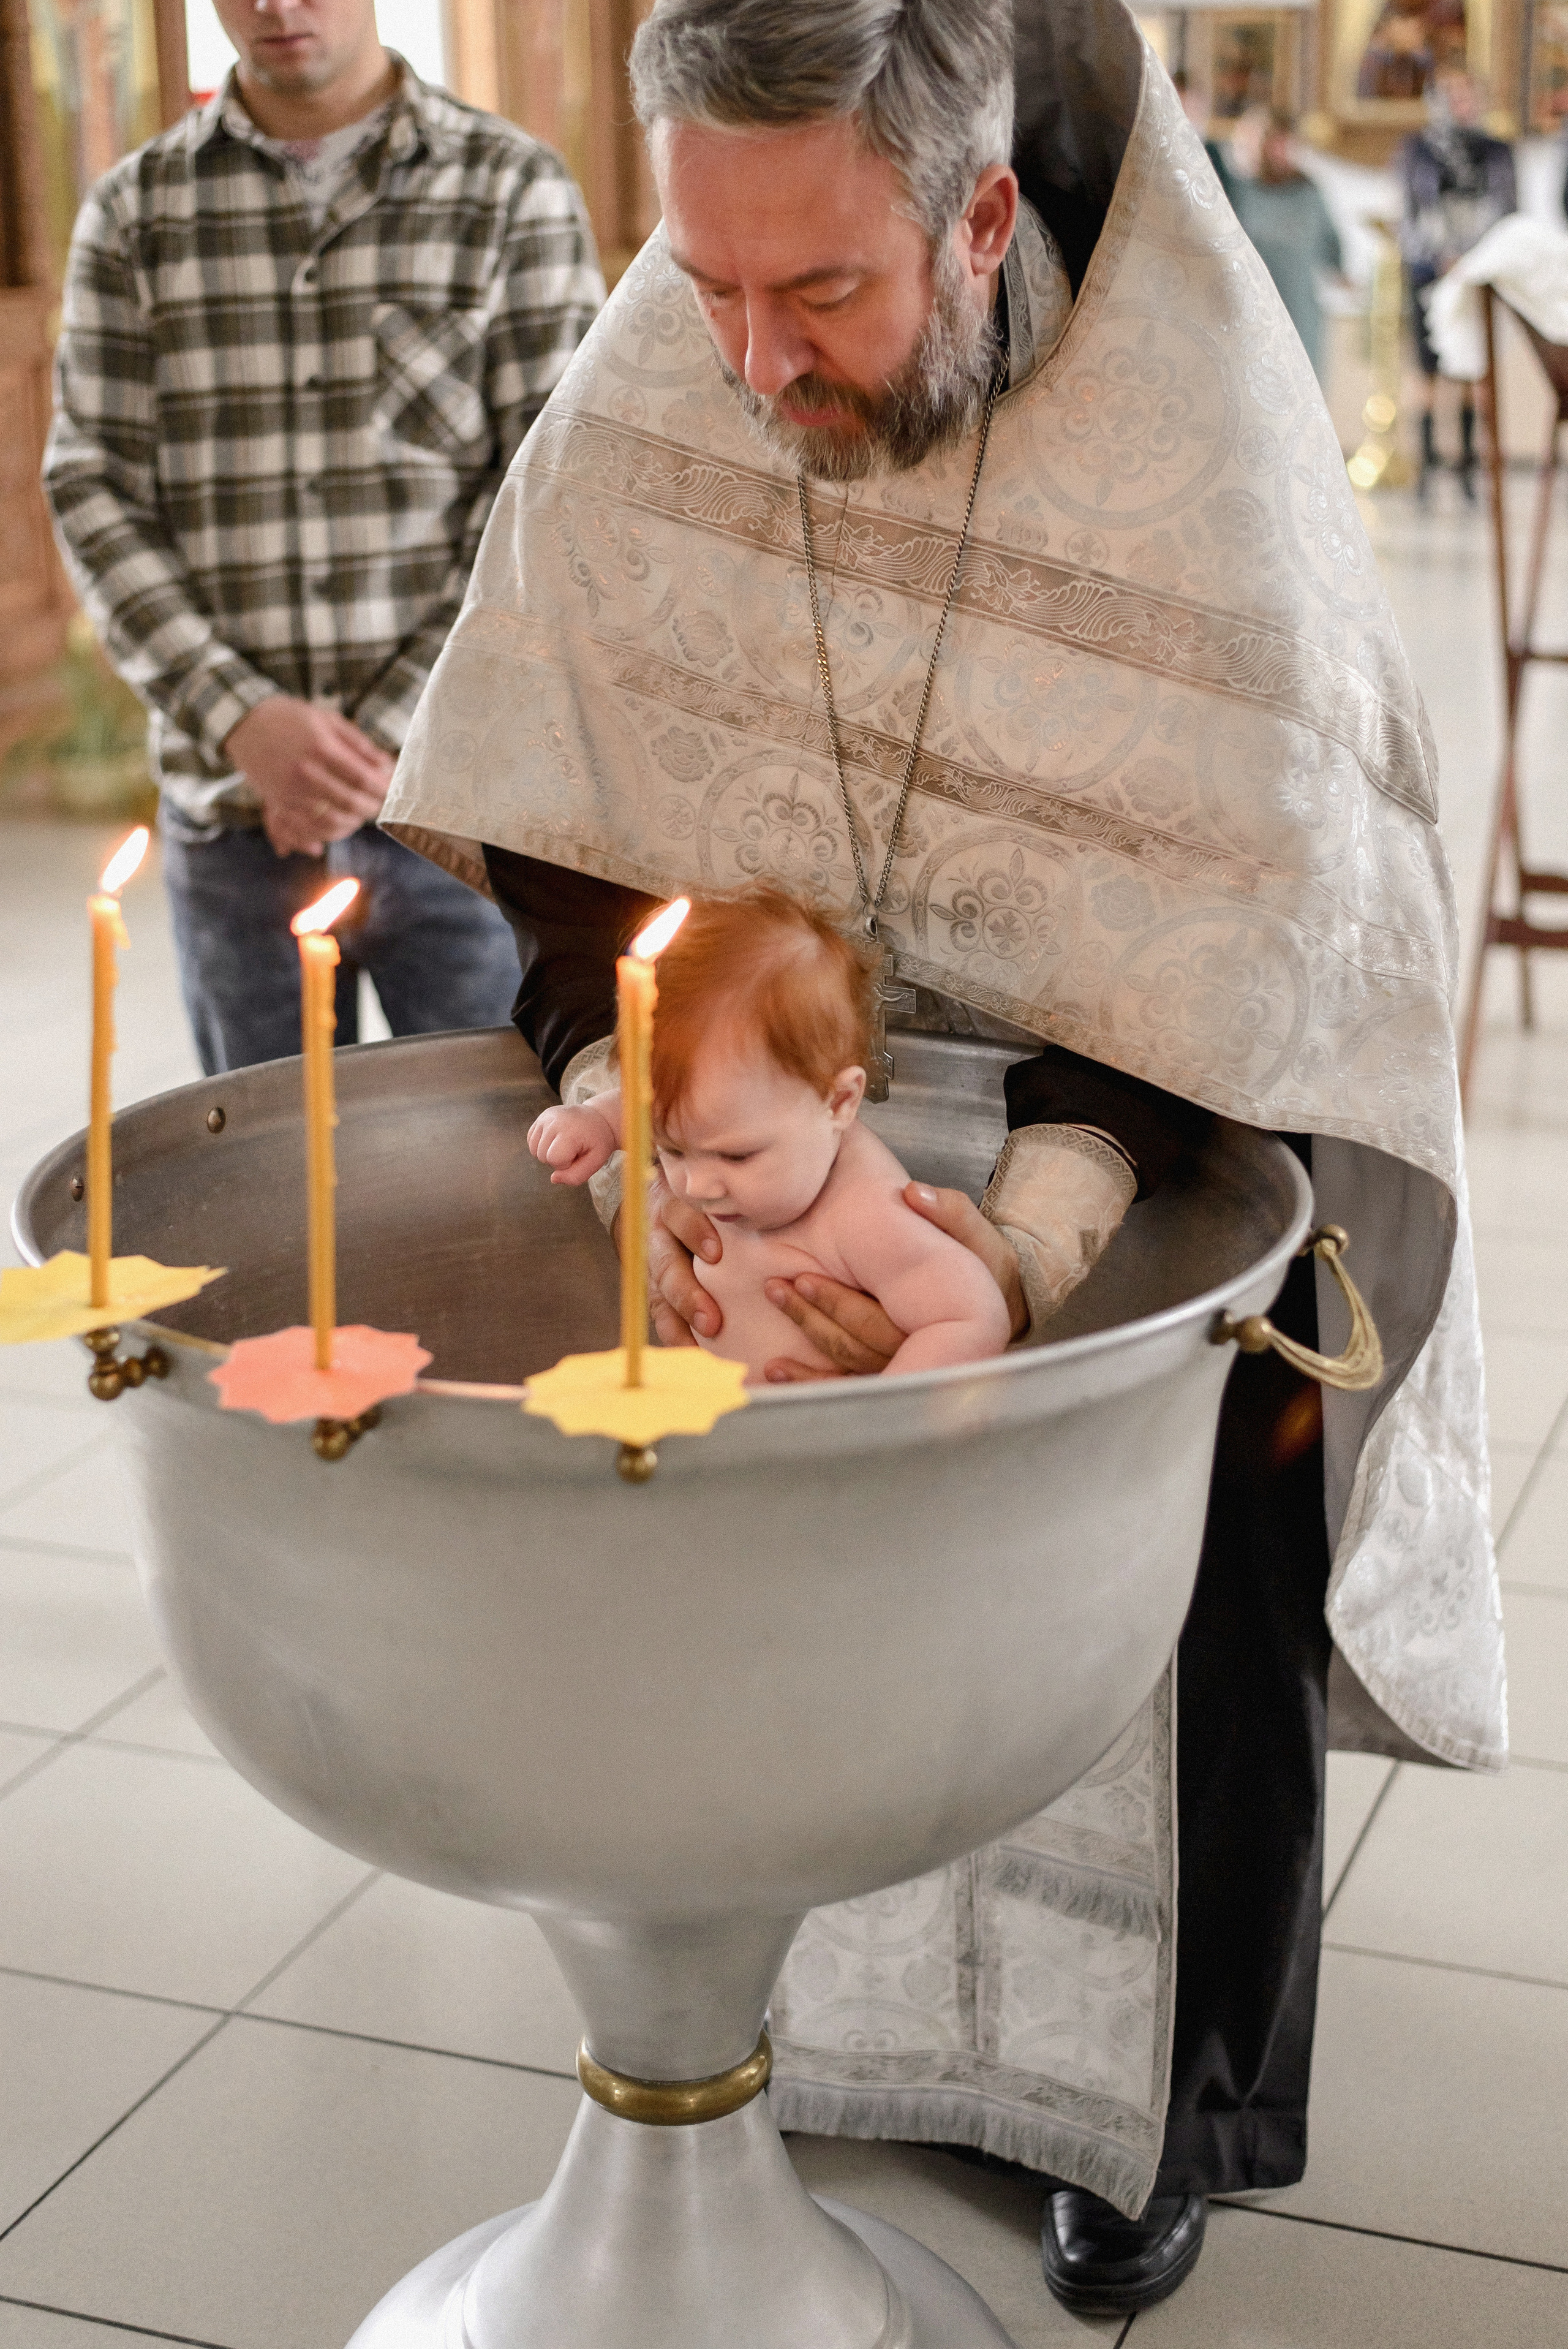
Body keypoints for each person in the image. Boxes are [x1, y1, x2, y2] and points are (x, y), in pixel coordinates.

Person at [383, 0, 1504, 2319]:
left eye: (820, 294)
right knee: (768, 1572)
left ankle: (1156, 2109)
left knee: (1186, 1537)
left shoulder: (1196, 420)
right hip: (755, 1104)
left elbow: (1256, 920)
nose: (749, 362)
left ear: (980, 216)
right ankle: (784, 2020)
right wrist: (636, 1104)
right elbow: (561, 803)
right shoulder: (687, 343)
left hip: (1138, 1130)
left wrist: (1032, 1233)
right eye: (703, 283)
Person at [42, 0, 604, 1072]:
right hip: (235, 817)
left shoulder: (510, 189)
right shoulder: (135, 211)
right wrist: (243, 718)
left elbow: (555, 492)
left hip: (460, 811)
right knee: (270, 1156)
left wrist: (384, 739)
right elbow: (90, 484)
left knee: (499, 1151)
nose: (276, 4)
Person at [529, 888, 1013, 1379]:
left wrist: (879, 1410)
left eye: (736, 1157)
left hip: (819, 1424)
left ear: (840, 1102)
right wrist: (596, 1120)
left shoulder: (866, 1216)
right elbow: (666, 1111)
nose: (695, 1185)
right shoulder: (736, 1122)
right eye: (671, 1149)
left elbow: (971, 1317)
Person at [1400, 69, 1517, 497]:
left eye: (1467, 96)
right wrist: (1440, 256)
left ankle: (1468, 465)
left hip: (1478, 271)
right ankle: (1426, 466)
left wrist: (1472, 259)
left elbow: (1507, 211)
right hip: (1429, 270)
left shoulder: (1497, 151)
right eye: (1452, 96)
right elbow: (1411, 212)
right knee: (1427, 368)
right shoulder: (1417, 150)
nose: (1460, 105)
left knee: (1471, 367)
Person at [1229, 109, 1344, 385]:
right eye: (1274, 144)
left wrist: (1340, 269)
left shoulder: (1309, 192)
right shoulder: (1241, 192)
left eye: (1286, 144)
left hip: (1300, 305)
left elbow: (1329, 239)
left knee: (1303, 382)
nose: (1281, 152)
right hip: (1254, 307)